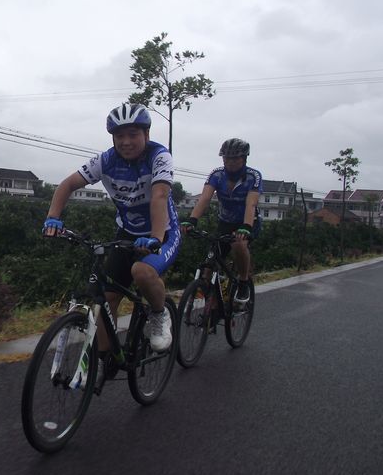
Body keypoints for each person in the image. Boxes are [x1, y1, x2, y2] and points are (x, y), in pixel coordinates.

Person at [42, 102, 181, 394]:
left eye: (133, 134)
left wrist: (155, 238)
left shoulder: (159, 156)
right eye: (119, 136)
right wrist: (53, 217)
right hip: (126, 233)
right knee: (105, 300)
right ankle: (106, 358)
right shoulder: (106, 160)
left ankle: (159, 314)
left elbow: (159, 196)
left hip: (163, 233)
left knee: (142, 272)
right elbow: (67, 185)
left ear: (146, 134)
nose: (126, 141)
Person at [181, 137, 262, 306]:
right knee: (210, 262)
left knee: (239, 244)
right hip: (225, 221)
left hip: (248, 221)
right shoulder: (217, 175)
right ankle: (211, 304)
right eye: (226, 158)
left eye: (235, 158)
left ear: (244, 158)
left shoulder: (253, 176)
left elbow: (251, 203)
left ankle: (243, 282)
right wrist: (192, 220)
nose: (230, 162)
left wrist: (246, 227)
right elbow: (204, 199)